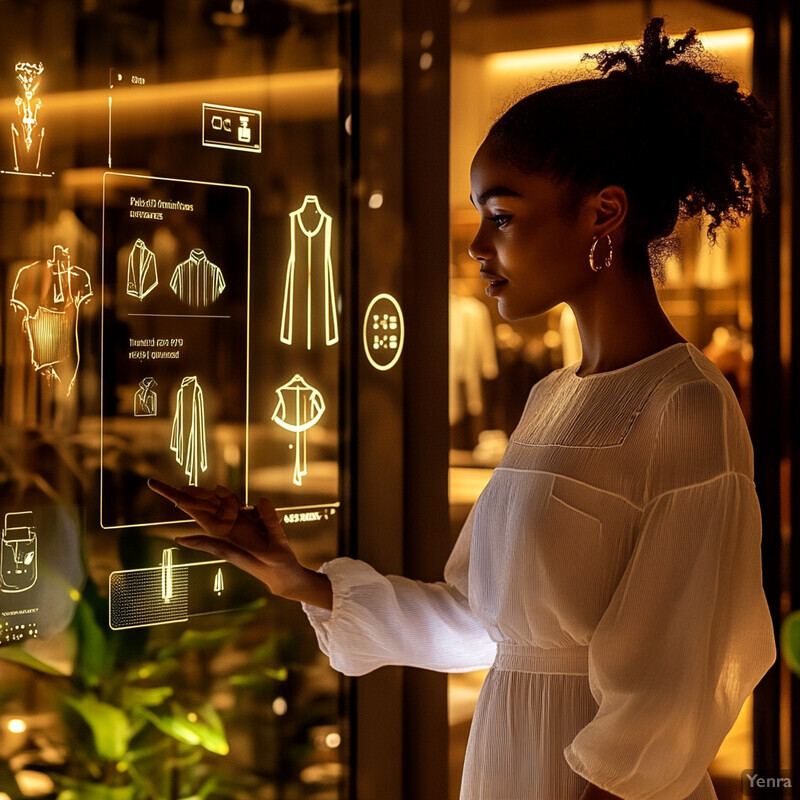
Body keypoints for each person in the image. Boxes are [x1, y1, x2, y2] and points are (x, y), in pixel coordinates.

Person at [149, 18, 776, 800]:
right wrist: (298, 579)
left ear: (603, 214)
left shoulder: (685, 408)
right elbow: (486, 625)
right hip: (510, 761)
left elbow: (672, 693)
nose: (478, 247)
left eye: (503, 216)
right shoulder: (553, 398)